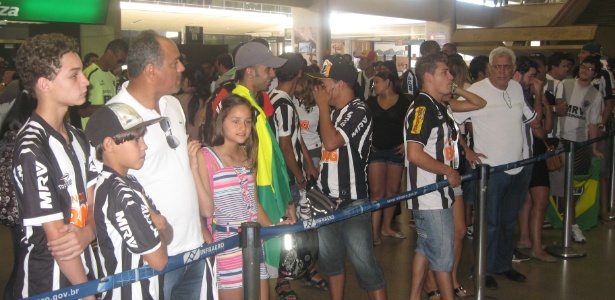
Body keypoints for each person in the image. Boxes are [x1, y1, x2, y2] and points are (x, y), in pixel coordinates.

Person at [106, 30, 211, 299]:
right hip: (154, 257)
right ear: (151, 71)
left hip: (193, 247)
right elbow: (107, 188)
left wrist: (199, 226)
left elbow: (181, 169)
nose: (182, 68)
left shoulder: (173, 104)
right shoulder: (116, 116)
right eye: (174, 62)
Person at [12, 33, 97, 299]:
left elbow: (92, 203)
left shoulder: (78, 136)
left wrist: (89, 231)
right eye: (74, 75)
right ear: (44, 84)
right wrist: (87, 293)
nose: (85, 81)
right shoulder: (31, 148)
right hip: (49, 285)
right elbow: (59, 241)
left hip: (86, 270)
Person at [453, 46, 542, 290]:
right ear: (490, 68)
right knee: (488, 223)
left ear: (513, 69)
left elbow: (529, 119)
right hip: (491, 171)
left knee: (508, 220)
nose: (502, 71)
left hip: (519, 166)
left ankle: (503, 265)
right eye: (497, 66)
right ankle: (483, 268)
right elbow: (452, 121)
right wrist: (466, 150)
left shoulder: (516, 88)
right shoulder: (476, 91)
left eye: (507, 67)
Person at [210, 41, 296, 285]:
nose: (272, 75)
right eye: (267, 69)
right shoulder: (239, 107)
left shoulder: (254, 103)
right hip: (254, 206)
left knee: (263, 275)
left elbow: (272, 159)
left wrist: (286, 197)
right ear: (250, 71)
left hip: (266, 199)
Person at [197, 95, 290, 300]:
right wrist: (194, 170)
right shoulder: (206, 156)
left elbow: (254, 204)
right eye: (236, 121)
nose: (243, 127)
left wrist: (278, 228)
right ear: (221, 121)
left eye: (248, 121)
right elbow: (206, 210)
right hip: (227, 245)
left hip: (254, 243)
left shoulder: (248, 155)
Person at [310, 56, 387, 300]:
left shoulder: (359, 109)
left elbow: (331, 142)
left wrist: (322, 106)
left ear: (341, 84)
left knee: (366, 266)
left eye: (325, 83)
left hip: (352, 201)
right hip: (325, 200)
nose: (321, 89)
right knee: (332, 265)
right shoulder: (334, 113)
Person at [85, 103, 172, 299]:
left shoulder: (130, 182)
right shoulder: (120, 193)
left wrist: (160, 226)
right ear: (109, 145)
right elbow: (159, 260)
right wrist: (160, 226)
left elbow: (165, 228)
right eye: (135, 139)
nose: (144, 145)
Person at [550, 55, 604, 241]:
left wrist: (594, 148)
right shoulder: (564, 85)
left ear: (595, 74)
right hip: (561, 141)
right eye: (583, 66)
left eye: (589, 68)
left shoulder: (595, 95)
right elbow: (557, 108)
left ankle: (571, 224)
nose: (584, 70)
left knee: (571, 186)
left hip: (580, 144)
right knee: (561, 185)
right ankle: (569, 224)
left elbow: (593, 124)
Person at [512, 56, 556, 262]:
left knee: (530, 200)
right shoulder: (519, 95)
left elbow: (546, 128)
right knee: (537, 199)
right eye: (532, 75)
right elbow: (538, 127)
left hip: (531, 152)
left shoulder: (523, 94)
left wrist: (544, 101)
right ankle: (534, 245)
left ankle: (528, 240)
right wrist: (538, 97)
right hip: (527, 154)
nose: (535, 80)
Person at [366, 71, 409, 245]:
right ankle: (374, 232)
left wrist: (407, 143)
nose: (374, 85)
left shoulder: (405, 101)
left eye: (376, 82)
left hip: (395, 150)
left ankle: (386, 227)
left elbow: (411, 124)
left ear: (388, 82)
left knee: (392, 191)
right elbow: (364, 124)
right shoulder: (370, 102)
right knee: (376, 192)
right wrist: (368, 142)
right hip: (376, 150)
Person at [79, 39, 128, 129]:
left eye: (122, 62)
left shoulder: (112, 77)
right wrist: (110, 108)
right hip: (91, 132)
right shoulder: (88, 74)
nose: (120, 65)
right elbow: (83, 111)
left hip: (107, 131)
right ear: (109, 53)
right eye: (119, 60)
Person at [176, 65, 210, 140]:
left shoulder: (178, 100)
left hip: (188, 146)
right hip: (206, 145)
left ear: (187, 80)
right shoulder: (209, 99)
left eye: (181, 78)